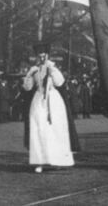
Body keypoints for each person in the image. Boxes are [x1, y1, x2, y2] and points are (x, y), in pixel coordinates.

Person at [22, 42, 75, 173]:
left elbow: (60, 82)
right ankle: (39, 161)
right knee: (38, 129)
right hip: (39, 100)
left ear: (47, 55)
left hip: (53, 101)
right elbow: (28, 87)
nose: (41, 58)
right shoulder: (34, 69)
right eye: (39, 55)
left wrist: (52, 70)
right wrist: (28, 75)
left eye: (43, 55)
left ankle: (58, 160)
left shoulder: (53, 67)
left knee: (55, 129)